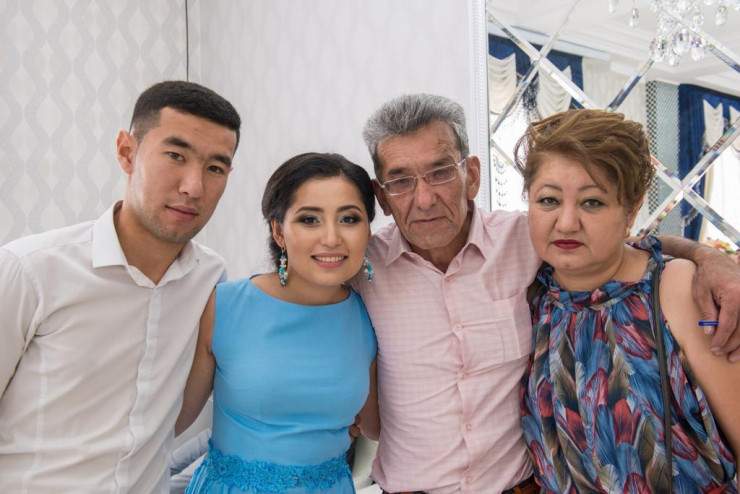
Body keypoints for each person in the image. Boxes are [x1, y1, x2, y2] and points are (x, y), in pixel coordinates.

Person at [354, 93, 740, 493]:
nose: (424, 199)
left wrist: (709, 259)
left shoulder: (530, 243)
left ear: (472, 175)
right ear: (381, 196)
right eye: (401, 181)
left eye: (440, 172)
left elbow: (625, 248)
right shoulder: (361, 270)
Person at [0, 80, 241, 492]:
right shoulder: (30, 270)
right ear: (127, 152)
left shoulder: (211, 280)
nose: (193, 187)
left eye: (215, 168)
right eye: (175, 155)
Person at [518, 109, 739, 492]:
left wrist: (708, 258)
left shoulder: (675, 289)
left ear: (631, 210)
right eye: (548, 200)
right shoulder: (535, 292)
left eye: (592, 202)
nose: (566, 222)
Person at [175, 152, 378, 493]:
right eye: (310, 219)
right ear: (278, 231)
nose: (332, 237)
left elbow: (375, 426)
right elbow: (172, 420)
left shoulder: (366, 315)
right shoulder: (224, 305)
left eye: (349, 218)